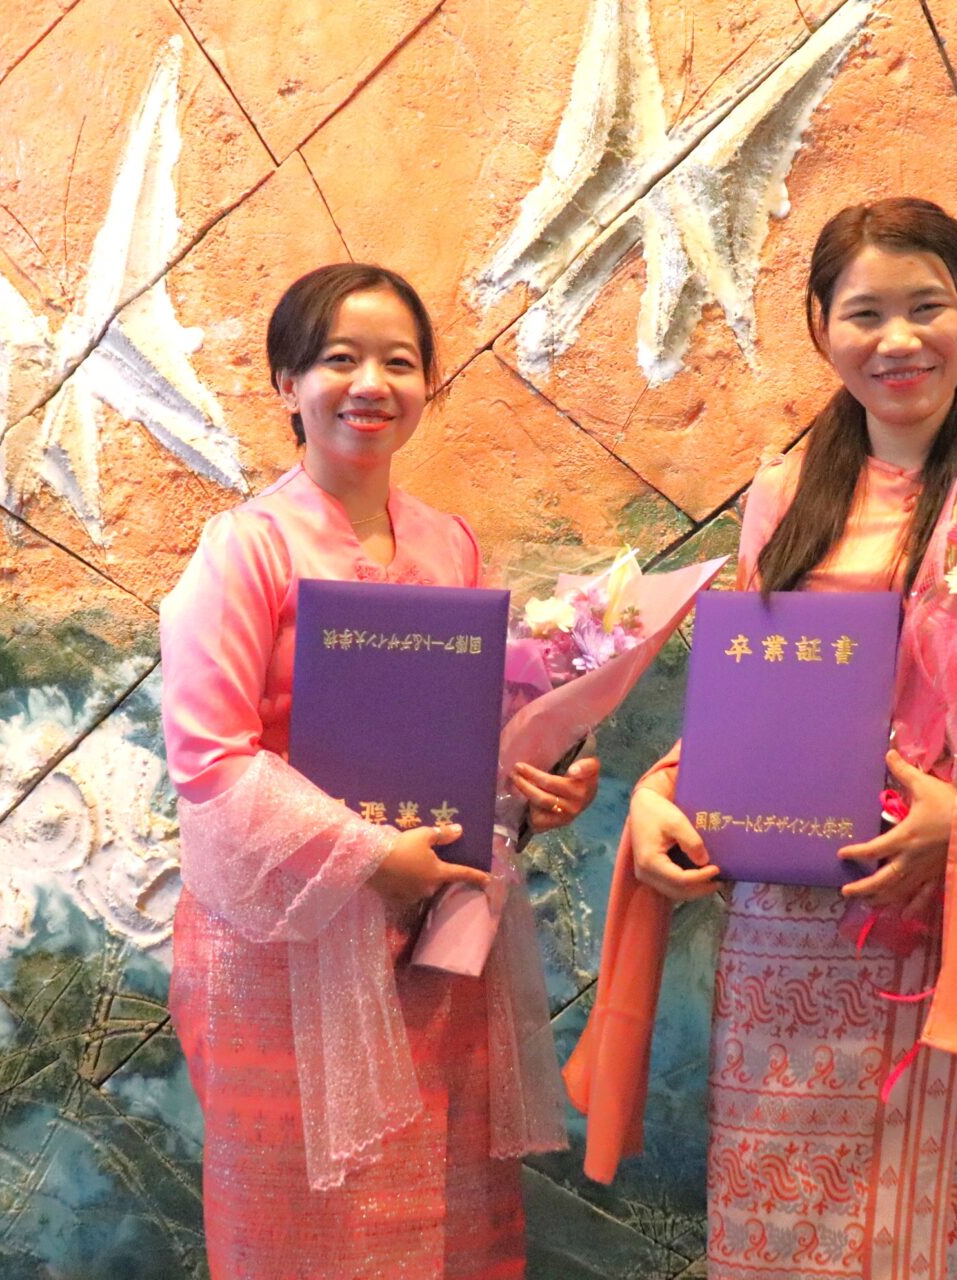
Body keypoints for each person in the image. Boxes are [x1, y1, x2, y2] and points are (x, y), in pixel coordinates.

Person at [565, 198, 957, 1279]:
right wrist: (665, 792)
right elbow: (749, 698)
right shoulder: (783, 496)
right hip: (787, 927)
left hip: (950, 913)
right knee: (779, 1218)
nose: (899, 340)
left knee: (934, 1226)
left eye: (927, 307)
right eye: (865, 313)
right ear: (820, 326)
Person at [160, 263, 599, 1279]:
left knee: (433, 1206)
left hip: (429, 939)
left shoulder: (450, 544)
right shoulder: (245, 549)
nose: (371, 384)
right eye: (338, 359)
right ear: (287, 383)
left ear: (429, 384)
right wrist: (364, 855)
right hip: (284, 945)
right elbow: (209, 757)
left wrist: (536, 787)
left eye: (399, 362)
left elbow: (472, 735)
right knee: (306, 1222)